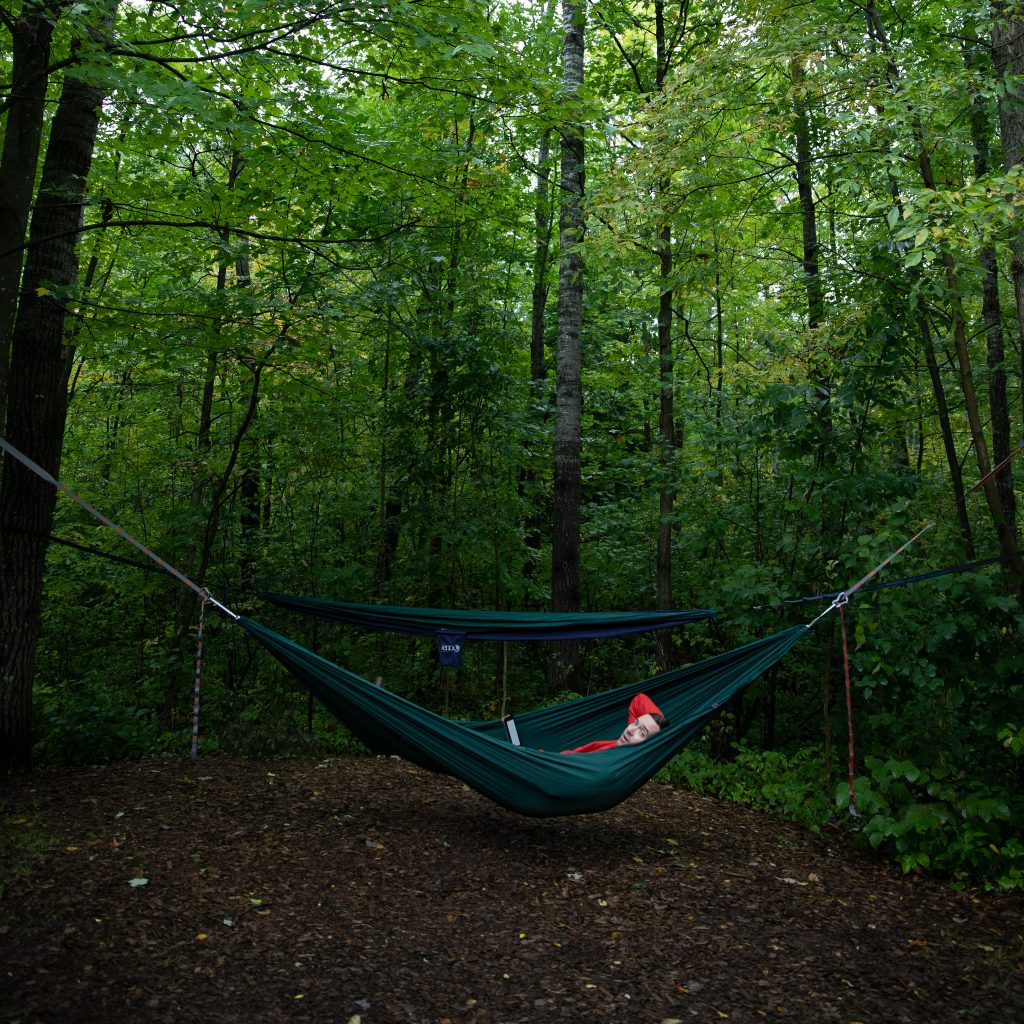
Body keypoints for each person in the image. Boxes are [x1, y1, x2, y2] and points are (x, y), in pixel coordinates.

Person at [561, 693, 669, 754]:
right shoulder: (619, 745)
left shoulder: (611, 765)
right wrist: (658, 721)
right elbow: (639, 700)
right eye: (635, 723)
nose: (630, 730)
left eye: (642, 733)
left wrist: (663, 733)